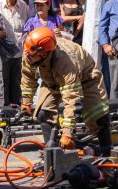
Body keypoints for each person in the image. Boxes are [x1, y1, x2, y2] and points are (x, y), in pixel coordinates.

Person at [21, 27, 111, 155]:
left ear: (44, 53)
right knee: (44, 113)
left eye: (32, 55)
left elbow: (72, 99)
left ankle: (106, 152)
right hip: (52, 82)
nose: (28, 57)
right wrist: (26, 101)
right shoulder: (30, 53)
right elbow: (28, 77)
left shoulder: (65, 62)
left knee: (98, 116)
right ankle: (52, 152)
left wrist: (67, 133)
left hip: (87, 80)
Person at [0, 0, 29, 106]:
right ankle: (5, 104)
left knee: (17, 78)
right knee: (4, 77)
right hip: (3, 48)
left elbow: (28, 26)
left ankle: (16, 103)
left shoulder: (24, 6)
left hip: (19, 48)